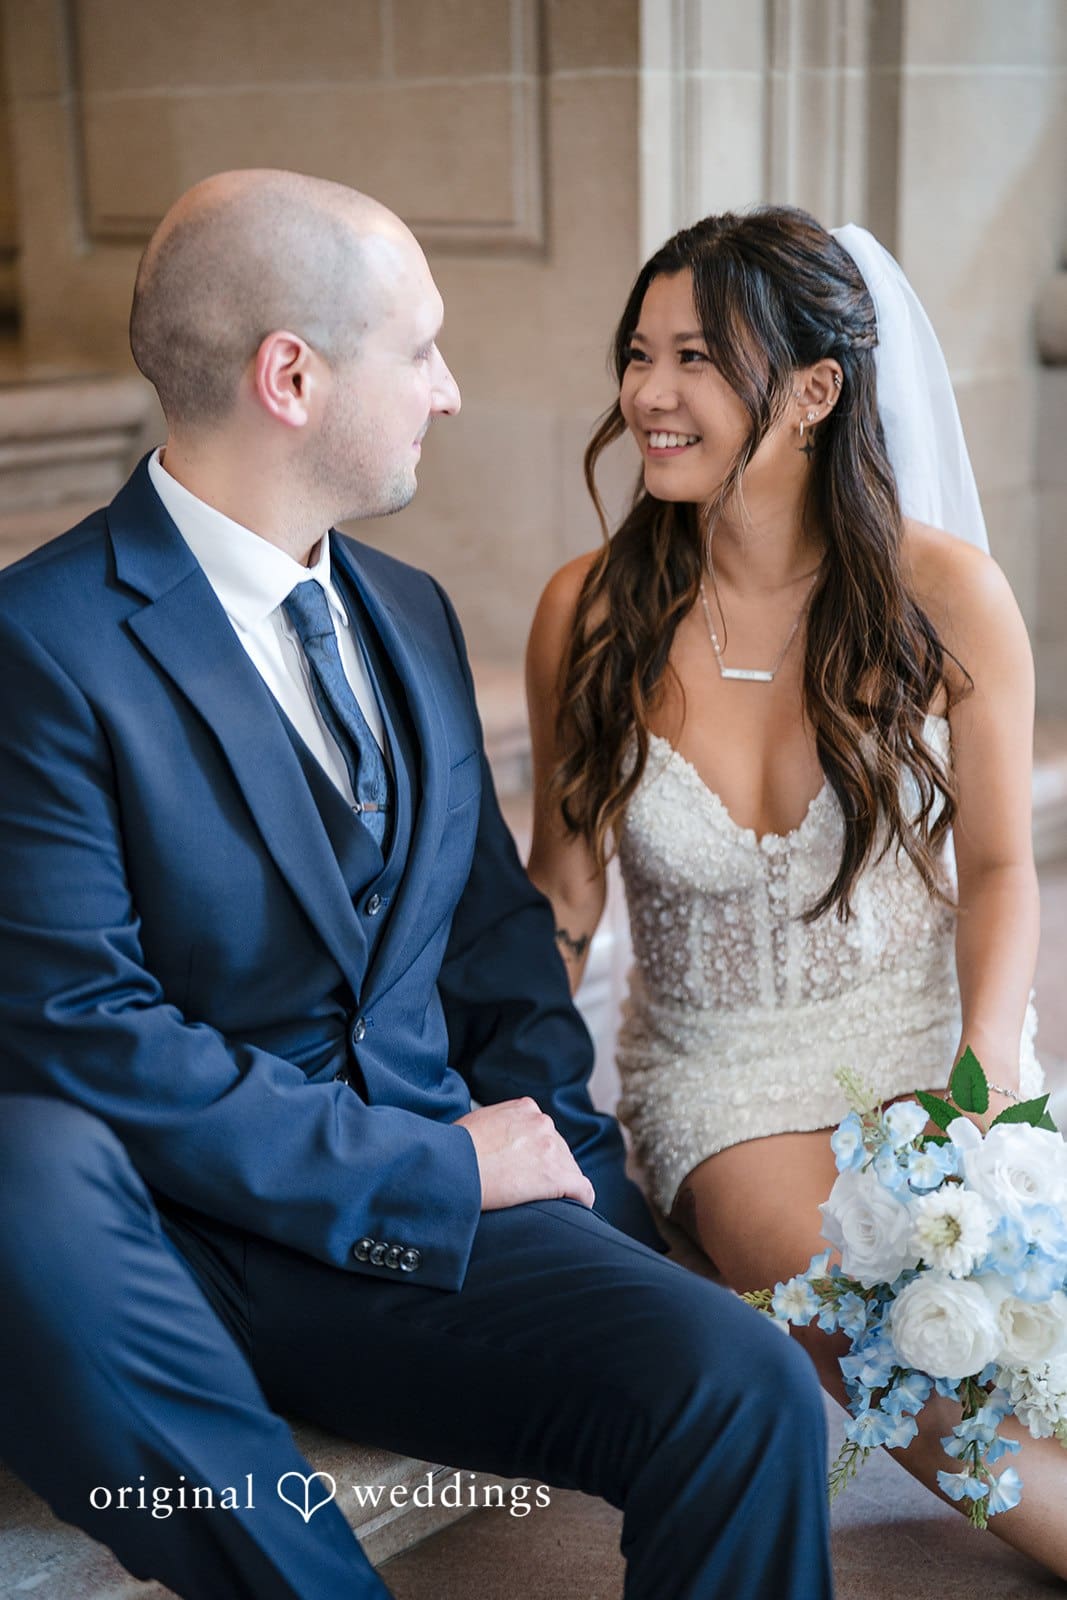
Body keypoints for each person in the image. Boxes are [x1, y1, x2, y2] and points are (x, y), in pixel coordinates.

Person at [0, 171, 833, 1600]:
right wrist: (436, 1165)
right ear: (293, 376)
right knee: (22, 1169)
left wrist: (574, 1184)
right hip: (160, 1255)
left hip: (421, 1240)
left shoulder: (408, 612)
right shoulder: (41, 643)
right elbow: (84, 1032)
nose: (450, 392)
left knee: (741, 1380)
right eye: (422, 348)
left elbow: (493, 946)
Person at [526, 205, 1067, 1577]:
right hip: (724, 1079)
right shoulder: (587, 613)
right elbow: (565, 890)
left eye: (698, 358)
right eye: (639, 354)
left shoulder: (948, 596)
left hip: (929, 1036)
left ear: (816, 391)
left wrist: (986, 1072)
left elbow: (1003, 864)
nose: (650, 393)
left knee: (1018, 1301)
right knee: (861, 1288)